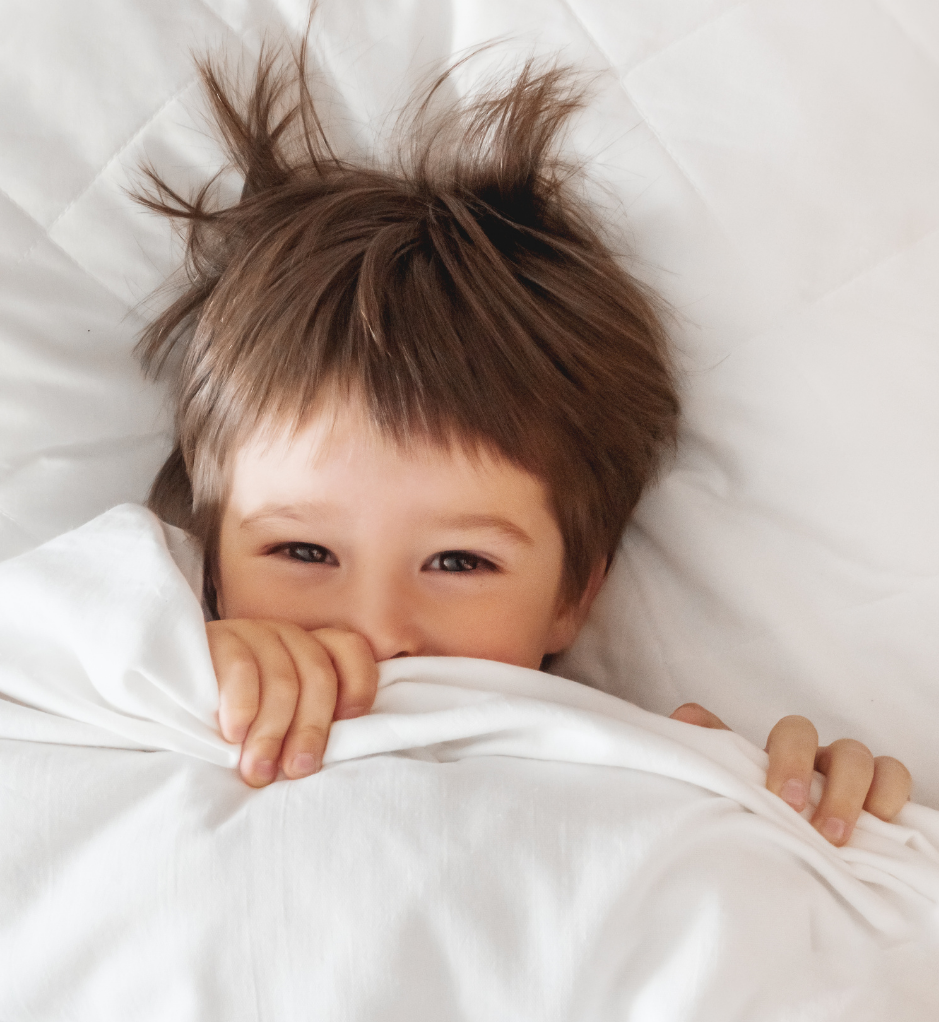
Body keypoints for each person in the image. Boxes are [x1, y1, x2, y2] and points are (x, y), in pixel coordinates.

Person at [135, 46, 911, 844]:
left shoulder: (619, 765)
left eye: (460, 562)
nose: (376, 630)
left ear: (573, 599)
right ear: (213, 564)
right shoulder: (130, 675)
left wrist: (805, 814)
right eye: (301, 551)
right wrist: (150, 663)